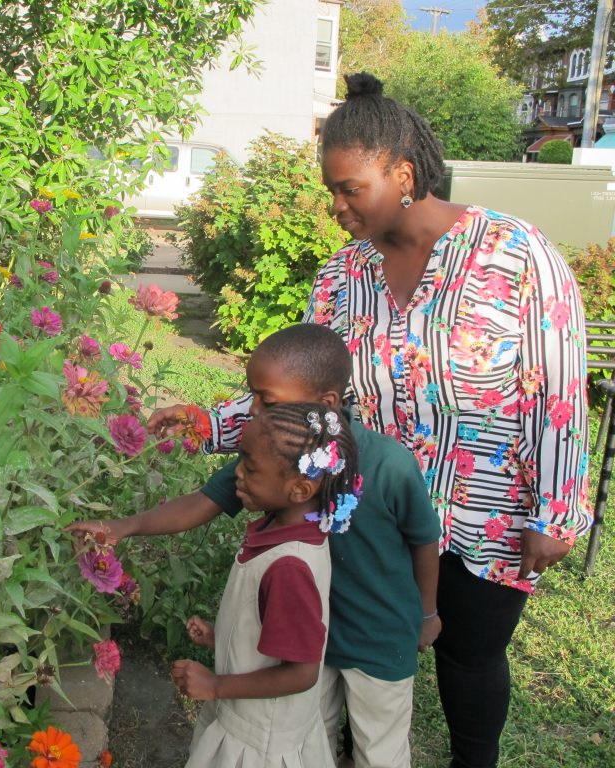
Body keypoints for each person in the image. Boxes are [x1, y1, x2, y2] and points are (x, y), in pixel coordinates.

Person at [151, 73, 593, 768]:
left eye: (348, 188)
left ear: (404, 174)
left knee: (469, 659)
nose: (334, 206)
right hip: (371, 511)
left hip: (489, 512)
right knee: (366, 651)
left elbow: (559, 387)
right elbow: (302, 388)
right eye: (330, 189)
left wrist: (558, 511)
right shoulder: (341, 277)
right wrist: (208, 422)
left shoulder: (515, 254)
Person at [72, 324, 441, 768]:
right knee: (310, 738)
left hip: (381, 639)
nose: (254, 409)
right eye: (253, 397)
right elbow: (203, 502)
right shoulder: (270, 460)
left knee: (379, 751)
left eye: (266, 398)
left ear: (325, 402)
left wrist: (428, 614)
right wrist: (123, 526)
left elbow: (424, 541)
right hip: (308, 637)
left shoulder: (385, 463)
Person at [176, 402, 359, 768]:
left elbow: (301, 672)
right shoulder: (288, 530)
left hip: (260, 745)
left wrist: (215, 686)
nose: (238, 474)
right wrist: (224, 635)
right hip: (254, 726)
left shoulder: (289, 567)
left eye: (251, 467)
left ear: (299, 488)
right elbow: (276, 627)